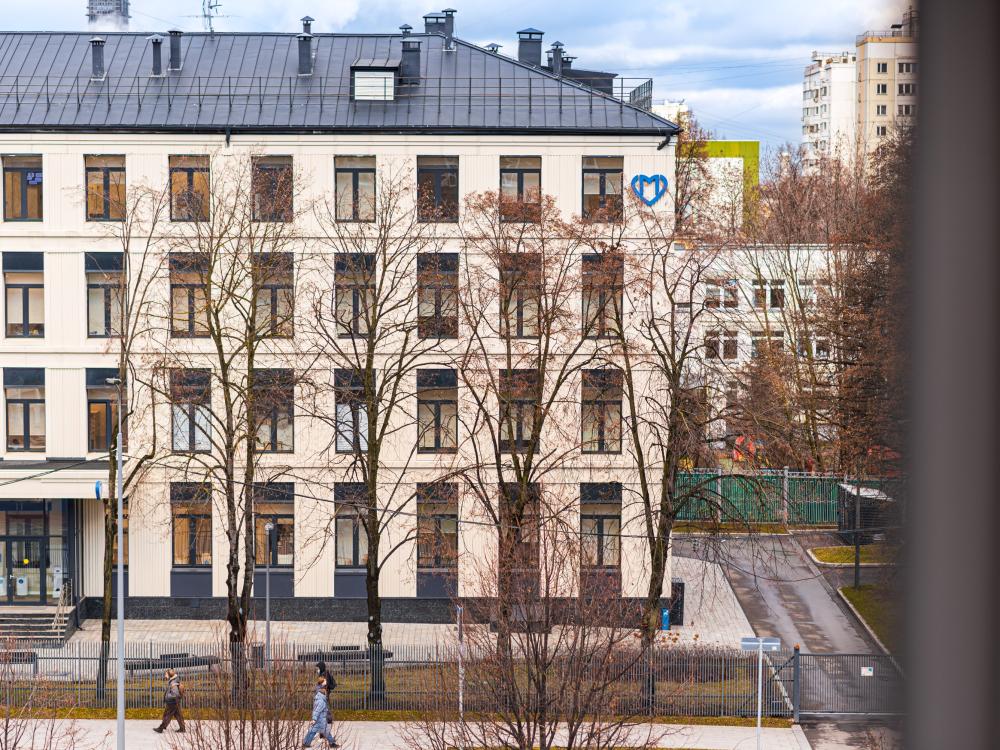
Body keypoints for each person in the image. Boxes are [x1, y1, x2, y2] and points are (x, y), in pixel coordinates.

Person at [302, 678, 338, 748]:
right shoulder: (321, 701)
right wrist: (314, 719)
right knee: (324, 731)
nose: (327, 694)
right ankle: (332, 744)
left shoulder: (319, 698)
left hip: (320, 719)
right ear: (323, 693)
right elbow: (317, 710)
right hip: (320, 719)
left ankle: (306, 743)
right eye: (326, 693)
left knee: (312, 731)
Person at [153, 668, 185, 734]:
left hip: (172, 702)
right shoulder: (173, 680)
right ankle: (182, 728)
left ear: (169, 674)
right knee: (178, 715)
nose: (165, 676)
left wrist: (167, 697)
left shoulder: (173, 682)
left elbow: (175, 694)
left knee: (167, 715)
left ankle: (161, 728)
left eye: (166, 674)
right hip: (175, 701)